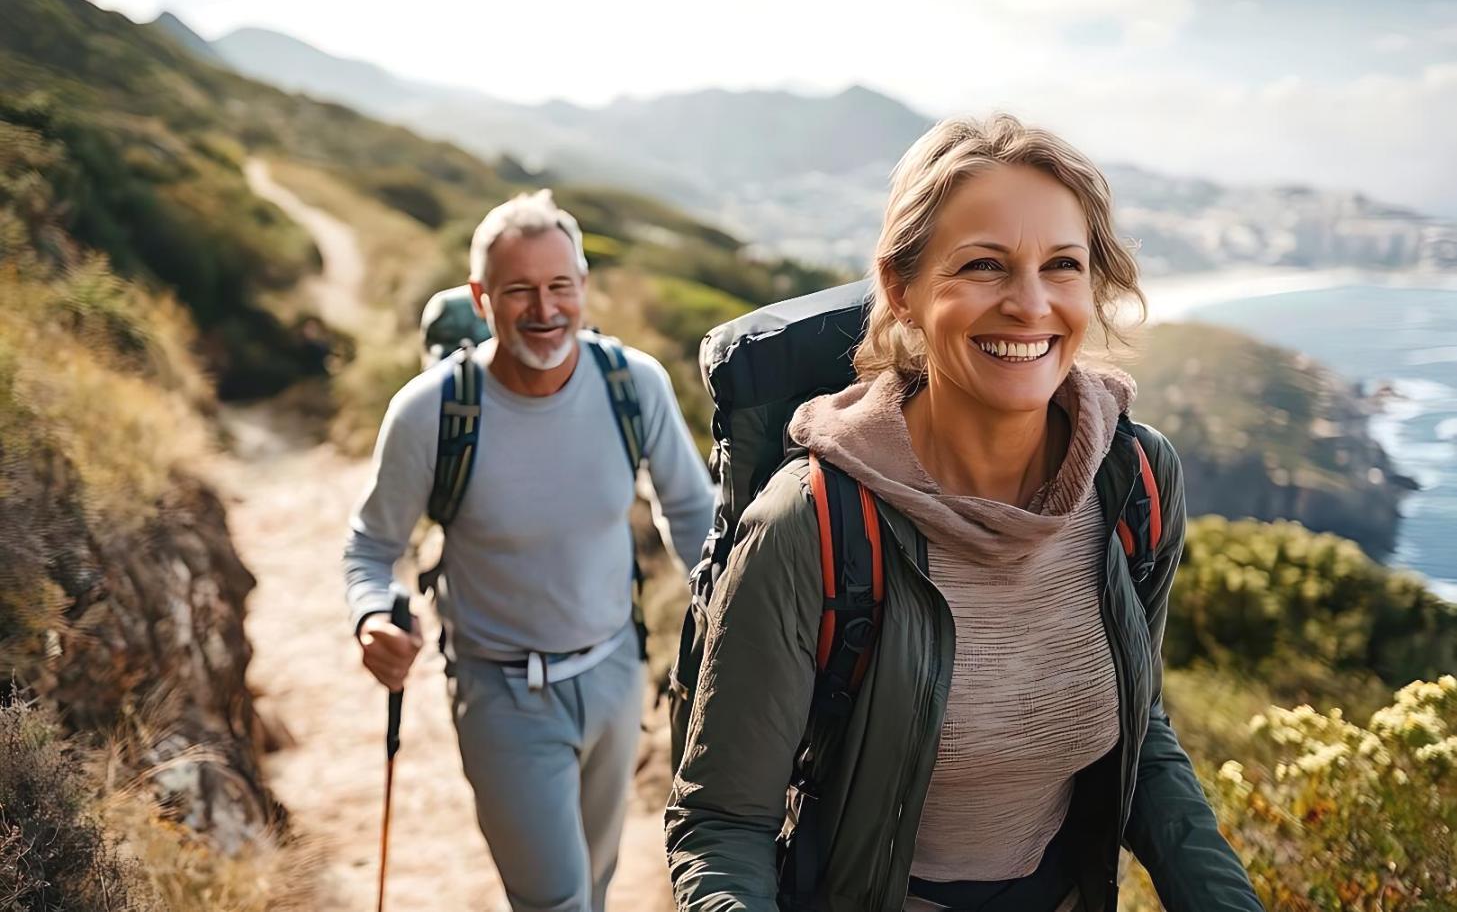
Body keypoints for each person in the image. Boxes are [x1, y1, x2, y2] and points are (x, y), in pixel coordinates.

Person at [664, 116, 1263, 911]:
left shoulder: (1136, 483)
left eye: (1061, 265)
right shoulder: (813, 524)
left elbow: (1140, 732)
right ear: (900, 290)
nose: (1029, 304)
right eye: (983, 266)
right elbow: (720, 826)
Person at [345, 189, 715, 912]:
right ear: (483, 299)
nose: (544, 310)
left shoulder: (631, 385)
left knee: (595, 886)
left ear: (582, 288)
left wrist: (733, 617)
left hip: (615, 676)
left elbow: (693, 512)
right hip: (501, 694)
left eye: (559, 287)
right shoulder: (431, 413)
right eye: (519, 291)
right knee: (555, 900)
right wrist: (369, 617)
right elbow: (371, 545)